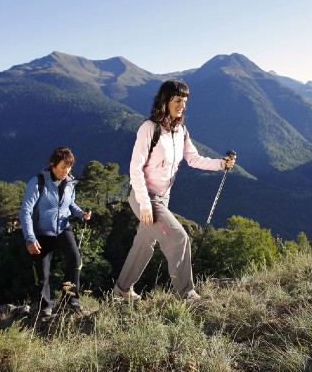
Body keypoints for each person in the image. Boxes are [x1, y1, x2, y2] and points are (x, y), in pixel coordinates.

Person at [114, 79, 236, 302]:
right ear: (165, 101)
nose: (182, 105)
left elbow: (193, 158)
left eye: (185, 101)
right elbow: (135, 168)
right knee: (179, 238)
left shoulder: (181, 131)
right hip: (145, 196)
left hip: (163, 195)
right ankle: (187, 294)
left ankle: (121, 291)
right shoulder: (149, 129)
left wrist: (220, 164)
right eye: (178, 100)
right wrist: (144, 204)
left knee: (144, 243)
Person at [19, 146, 91, 316]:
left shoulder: (70, 183)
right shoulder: (38, 182)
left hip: (63, 228)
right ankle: (45, 306)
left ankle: (70, 300)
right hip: (42, 233)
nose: (66, 171)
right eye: (62, 167)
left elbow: (70, 205)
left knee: (75, 260)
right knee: (43, 272)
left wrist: (81, 213)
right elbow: (25, 211)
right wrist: (30, 238)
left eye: (69, 167)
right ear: (52, 165)